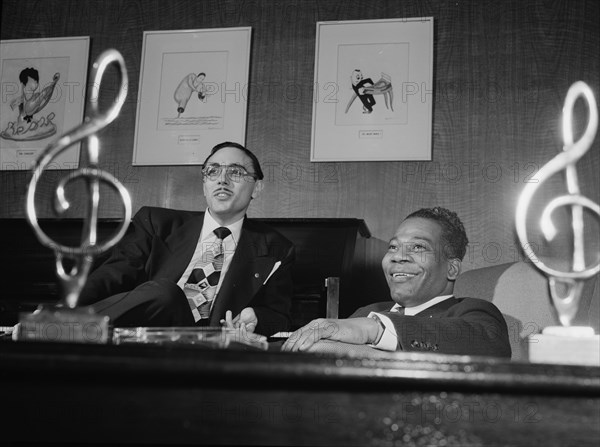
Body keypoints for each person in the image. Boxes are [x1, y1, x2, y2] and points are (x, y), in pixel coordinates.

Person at [78, 142, 294, 336]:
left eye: (236, 172)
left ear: (256, 188)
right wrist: (67, 306)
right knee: (167, 294)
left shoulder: (277, 249)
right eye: (213, 171)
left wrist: (256, 317)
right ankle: (63, 327)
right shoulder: (157, 224)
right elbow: (114, 274)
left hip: (208, 349)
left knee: (167, 294)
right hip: (144, 336)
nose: (222, 180)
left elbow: (279, 315)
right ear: (204, 184)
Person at [282, 207, 511, 358]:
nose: (397, 256)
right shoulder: (368, 310)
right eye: (393, 247)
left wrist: (375, 329)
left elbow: (490, 346)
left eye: (418, 247)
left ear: (451, 268)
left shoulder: (473, 312)